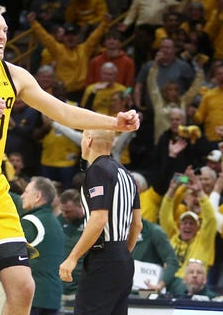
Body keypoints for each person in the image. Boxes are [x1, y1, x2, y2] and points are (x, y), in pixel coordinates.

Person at [0, 3, 140, 314]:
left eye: (4, 31)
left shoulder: (14, 75)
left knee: (24, 287)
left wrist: (112, 122)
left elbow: (63, 111)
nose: (2, 36)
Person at [59, 129, 143, 314]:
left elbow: (98, 219)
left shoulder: (97, 170)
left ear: (88, 140)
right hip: (123, 259)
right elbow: (137, 225)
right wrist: (120, 255)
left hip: (103, 257)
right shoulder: (126, 174)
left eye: (82, 137)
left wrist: (72, 258)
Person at [20, 176, 64, 314]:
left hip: (34, 296)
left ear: (37, 196)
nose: (22, 196)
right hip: (53, 296)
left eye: (26, 192)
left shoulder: (30, 221)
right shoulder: (56, 223)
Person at [57, 189, 85, 310]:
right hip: (59, 288)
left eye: (68, 211)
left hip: (81, 288)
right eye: (62, 210)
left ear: (80, 206)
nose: (64, 214)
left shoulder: (92, 223)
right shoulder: (59, 220)